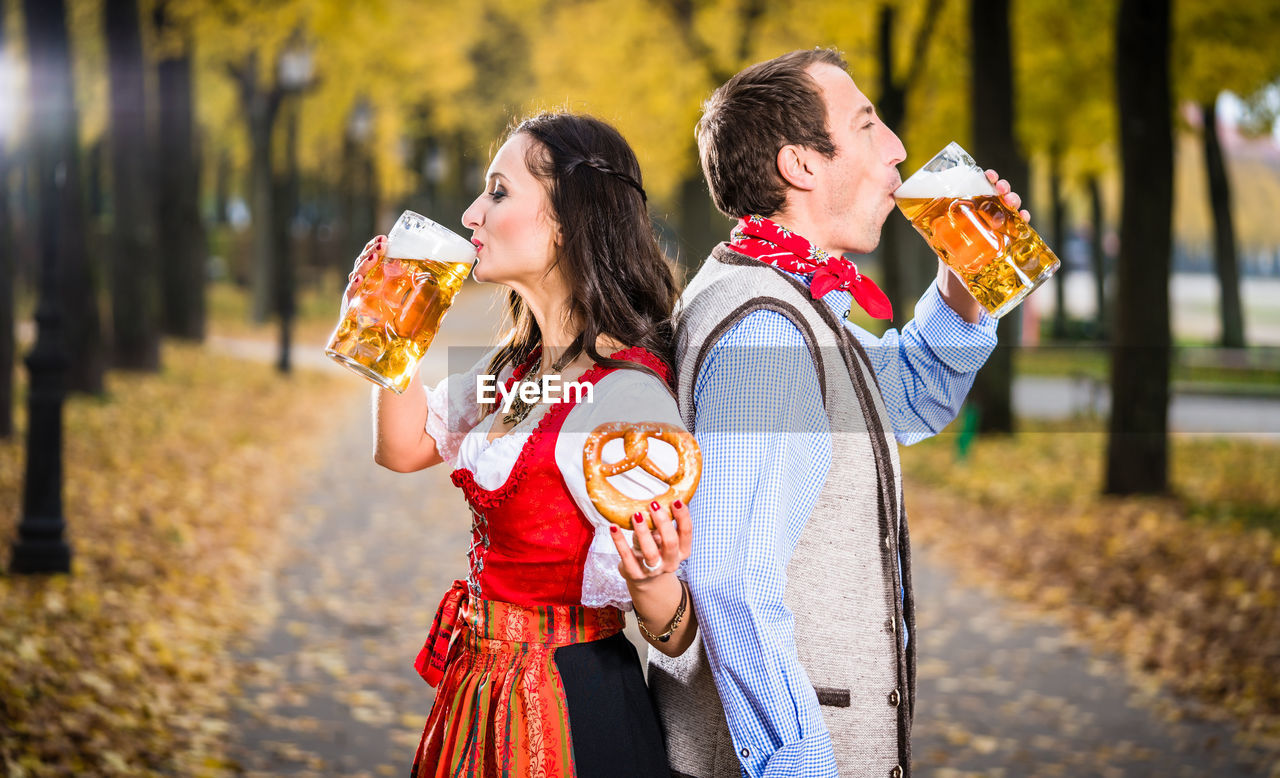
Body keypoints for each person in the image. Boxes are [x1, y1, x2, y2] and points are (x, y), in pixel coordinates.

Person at [646, 49, 1029, 777]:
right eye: (868, 123)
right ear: (801, 165)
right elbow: (727, 582)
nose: (898, 148)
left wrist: (963, 282)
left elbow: (908, 397)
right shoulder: (766, 330)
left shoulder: (786, 302)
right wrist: (800, 766)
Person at [343, 112, 699, 777]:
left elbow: (679, 633)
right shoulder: (527, 372)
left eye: (499, 191)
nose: (473, 213)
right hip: (480, 692)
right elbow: (401, 448)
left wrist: (652, 581)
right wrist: (397, 334)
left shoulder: (624, 403)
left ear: (568, 221)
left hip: (570, 710)